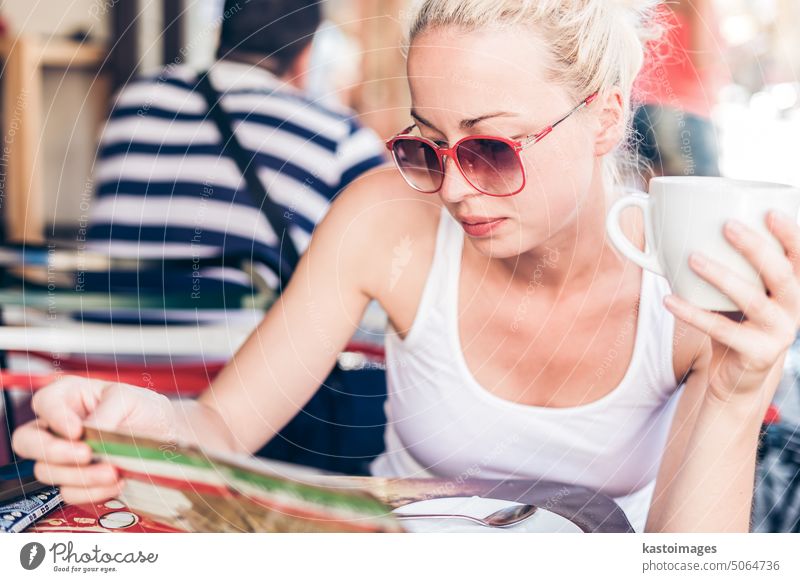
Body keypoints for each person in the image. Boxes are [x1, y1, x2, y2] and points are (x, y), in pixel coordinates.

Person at [13, 0, 800, 533]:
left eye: (491, 148)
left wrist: (738, 392)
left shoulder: (691, 283)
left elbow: (681, 565)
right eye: (428, 143)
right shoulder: (384, 219)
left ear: (604, 115)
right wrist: (146, 425)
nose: (453, 189)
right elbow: (219, 426)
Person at [86, 0, 385, 296]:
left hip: (97, 334)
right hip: (240, 341)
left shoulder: (135, 99)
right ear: (306, 56)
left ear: (221, 31)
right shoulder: (340, 137)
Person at [633, 0, 728, 179]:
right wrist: (722, 56)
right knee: (704, 199)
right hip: (683, 114)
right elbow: (701, 57)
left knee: (657, 200)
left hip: (643, 111)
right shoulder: (700, 3)